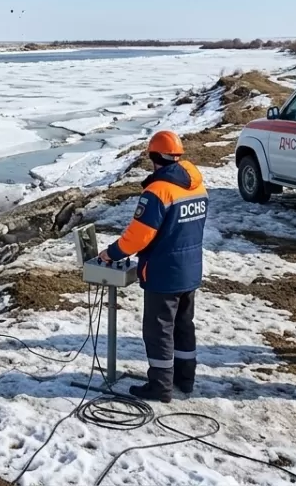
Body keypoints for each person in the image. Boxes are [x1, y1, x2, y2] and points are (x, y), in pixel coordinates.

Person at [98, 130, 208, 403]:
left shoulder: (158, 191)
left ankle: (160, 385)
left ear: (153, 156)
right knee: (184, 326)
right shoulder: (197, 186)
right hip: (190, 269)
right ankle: (185, 379)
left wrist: (111, 254)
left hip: (164, 273)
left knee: (159, 331)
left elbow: (138, 236)